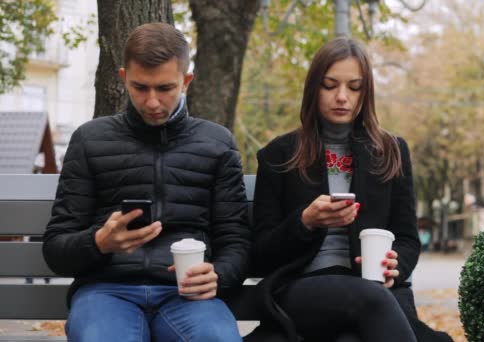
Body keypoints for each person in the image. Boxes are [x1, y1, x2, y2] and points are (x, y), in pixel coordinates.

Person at [42, 23, 250, 341]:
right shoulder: (90, 140)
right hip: (106, 292)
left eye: (165, 88)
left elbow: (236, 242)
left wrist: (219, 276)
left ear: (186, 82)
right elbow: (56, 248)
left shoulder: (217, 143)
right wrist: (99, 243)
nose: (152, 102)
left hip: (187, 294)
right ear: (124, 78)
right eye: (140, 88)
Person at [246, 38, 453, 342]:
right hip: (302, 290)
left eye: (354, 88)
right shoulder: (280, 154)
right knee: (370, 299)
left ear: (365, 93)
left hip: (376, 291)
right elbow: (260, 254)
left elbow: (408, 237)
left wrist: (396, 263)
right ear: (313, 88)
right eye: (330, 85)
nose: (342, 96)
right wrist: (305, 222)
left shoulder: (391, 151)